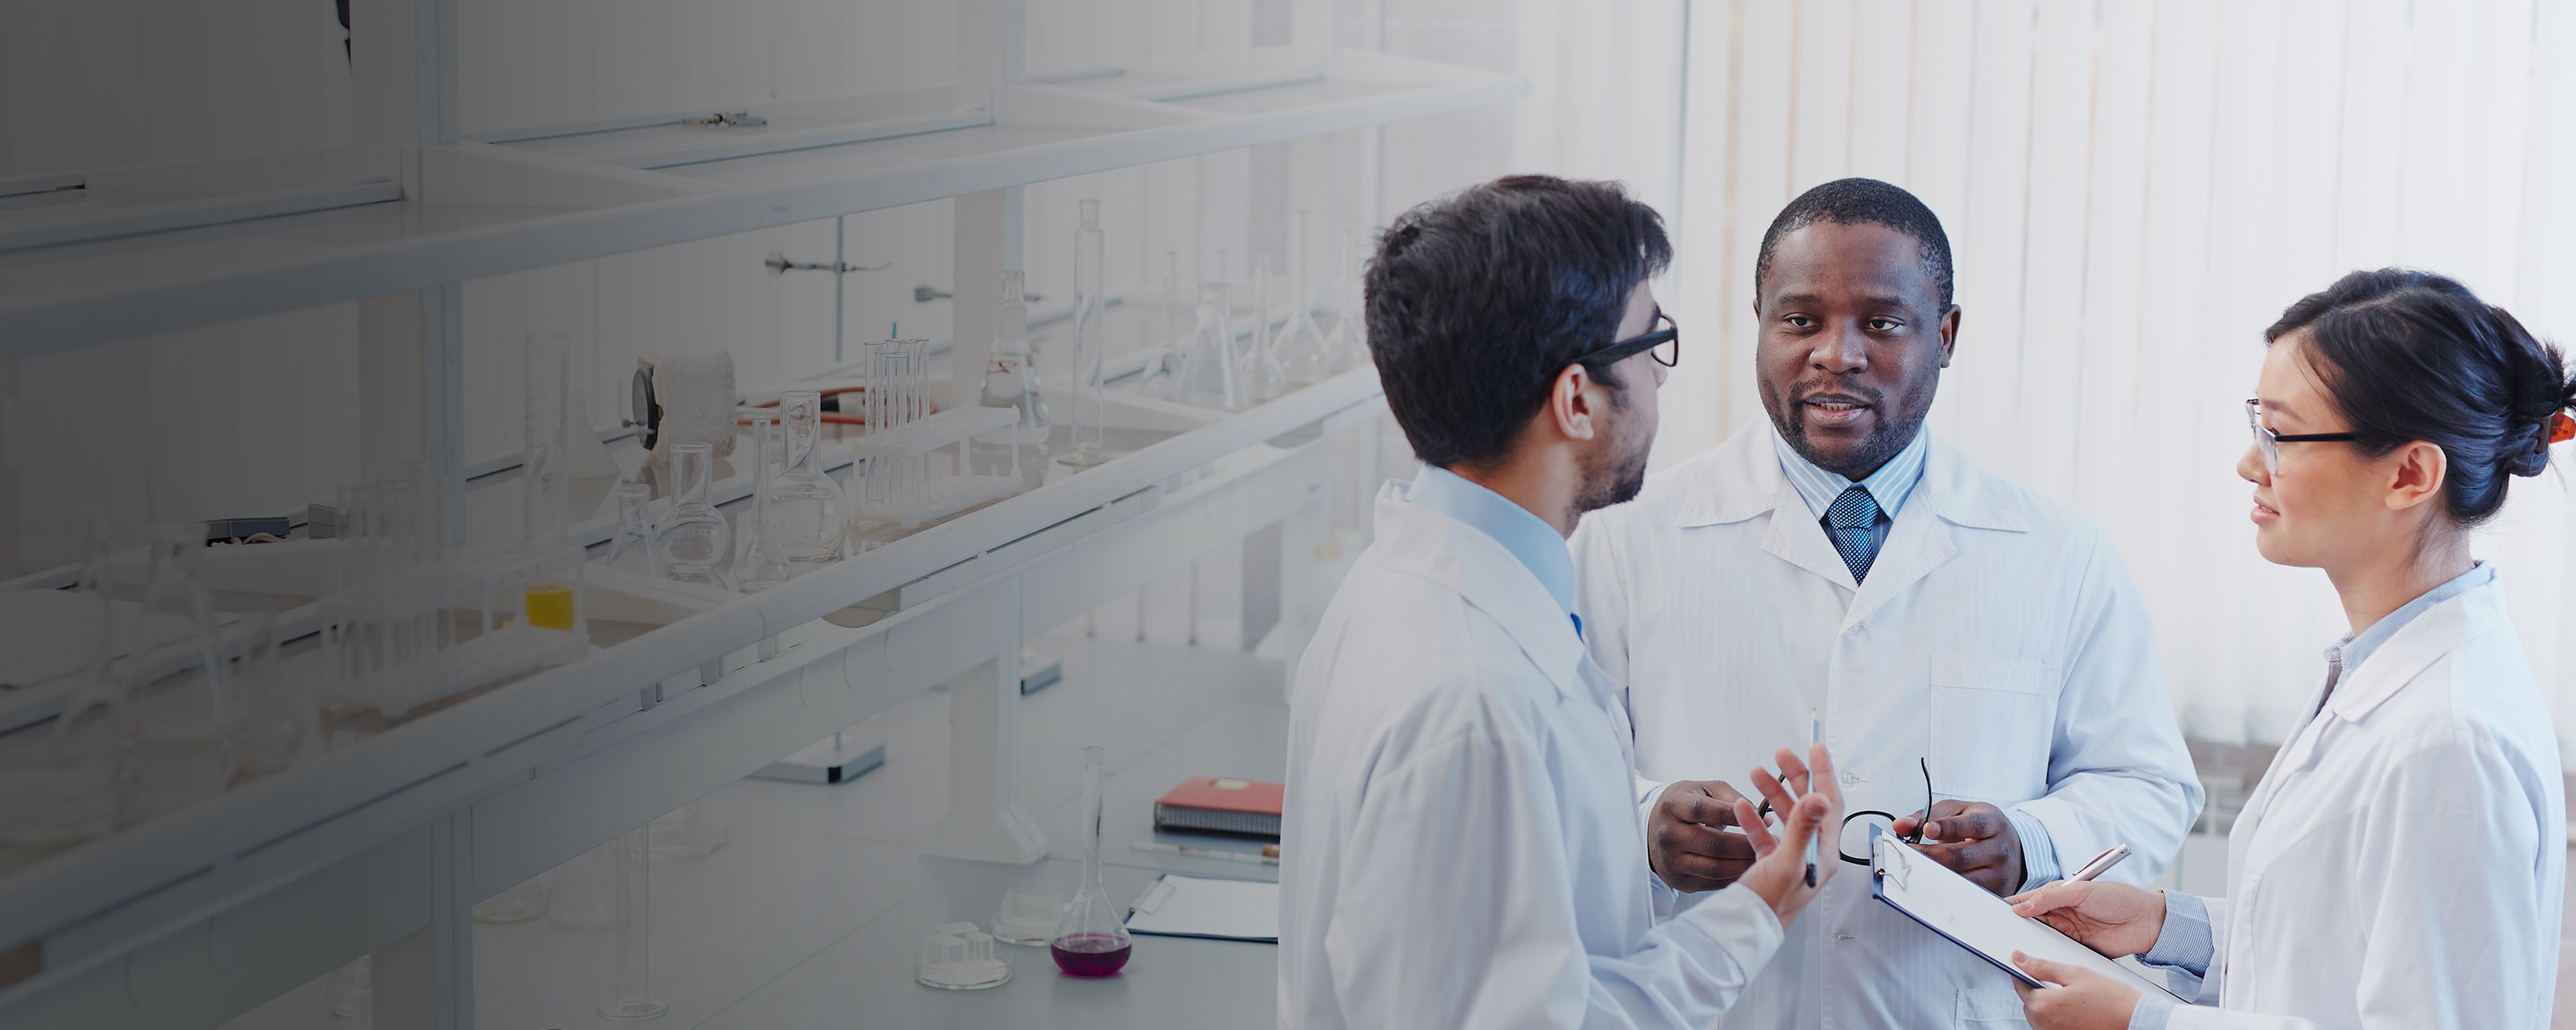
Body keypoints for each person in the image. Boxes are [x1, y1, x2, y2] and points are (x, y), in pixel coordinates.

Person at [1568, 177, 2204, 1026]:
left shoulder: (2059, 555)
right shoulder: (1625, 536)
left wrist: (2027, 843)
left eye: (1882, 322)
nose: (1837, 354)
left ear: (1944, 336)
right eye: (1800, 321)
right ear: (1758, 324)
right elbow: (1549, 777)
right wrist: (1646, 824)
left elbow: (2147, 783)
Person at [1277, 174, 1843, 1029]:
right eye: (1650, 342)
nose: (1662, 378)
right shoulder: (1474, 700)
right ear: (1576, 400)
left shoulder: (1407, 587)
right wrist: (1762, 911)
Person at [2006, 268, 2573, 1030]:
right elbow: (2338, 938)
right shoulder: (2383, 667)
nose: (2250, 464)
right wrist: (2161, 925)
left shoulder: (2449, 739)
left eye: (2280, 434)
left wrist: (2145, 1022)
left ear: (2410, 473)